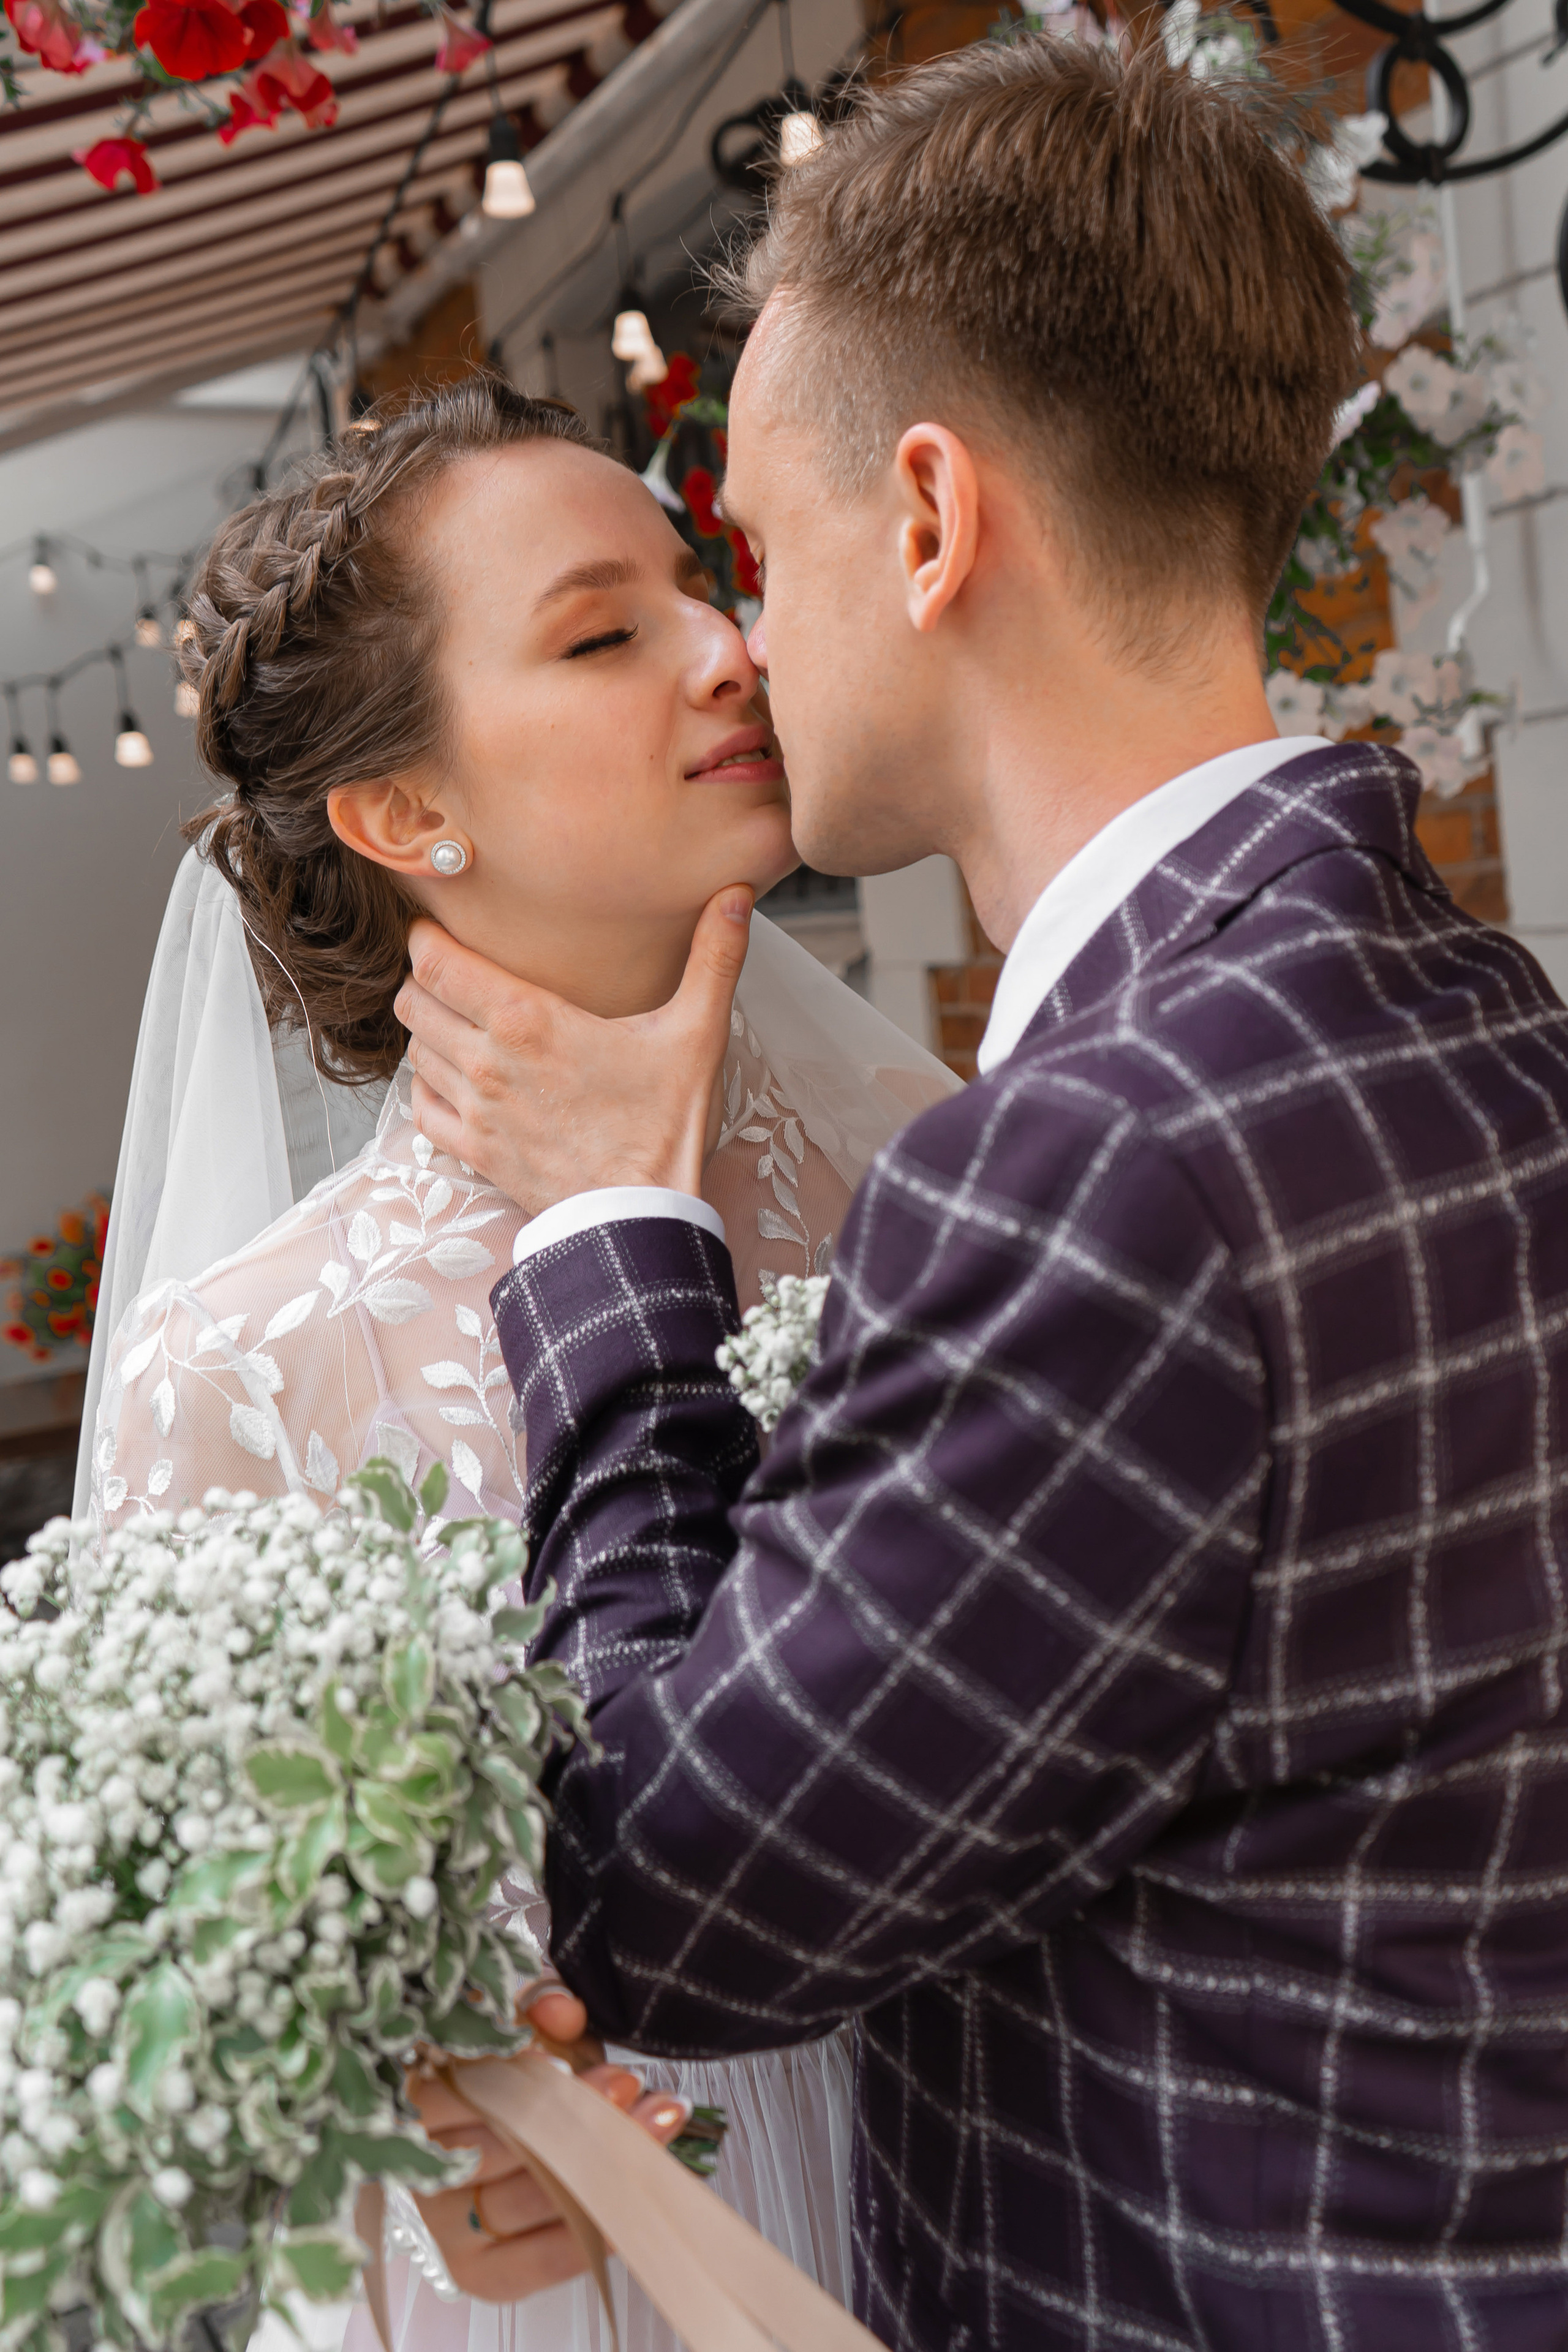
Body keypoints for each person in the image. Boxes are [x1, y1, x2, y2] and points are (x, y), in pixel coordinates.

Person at [395, 32, 1568, 2352]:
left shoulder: (1097, 1162)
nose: (743, 647)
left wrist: (613, 1232)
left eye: (754, 549)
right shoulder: (1490, 1016)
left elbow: (664, 1889)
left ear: (928, 521)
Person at [83, 376, 958, 2352]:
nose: (729, 649)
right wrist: (427, 2138)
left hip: (978, 2186)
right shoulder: (248, 1369)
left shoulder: (936, 1179)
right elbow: (201, 2029)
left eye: (703, 582)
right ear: (410, 816)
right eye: (600, 636)